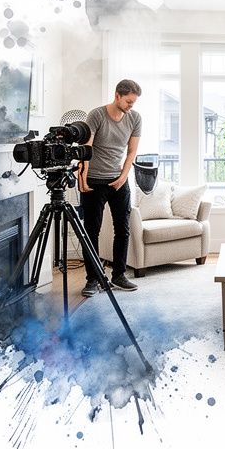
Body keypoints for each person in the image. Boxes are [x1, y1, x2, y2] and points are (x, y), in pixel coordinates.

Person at [77, 79, 142, 296]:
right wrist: (82, 178)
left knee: (122, 229)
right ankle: (93, 278)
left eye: (133, 103)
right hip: (94, 180)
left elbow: (131, 151)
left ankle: (119, 275)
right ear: (117, 96)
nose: (131, 106)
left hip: (119, 181)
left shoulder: (135, 118)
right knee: (90, 231)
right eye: (128, 102)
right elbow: (85, 149)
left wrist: (124, 177)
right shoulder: (96, 115)